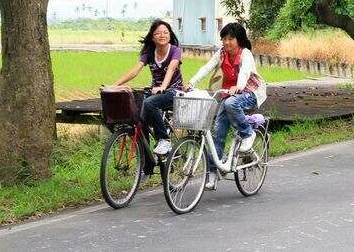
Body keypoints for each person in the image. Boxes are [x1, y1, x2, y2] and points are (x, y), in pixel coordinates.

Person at [186, 21, 267, 189]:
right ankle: (214, 175)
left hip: (249, 91)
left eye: (231, 39)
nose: (226, 42)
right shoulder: (221, 53)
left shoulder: (245, 54)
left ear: (239, 40)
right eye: (224, 39)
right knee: (217, 132)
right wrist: (192, 82)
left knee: (231, 103)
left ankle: (248, 133)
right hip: (228, 93)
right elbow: (207, 67)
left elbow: (245, 72)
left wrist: (238, 85)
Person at [111, 19, 183, 156]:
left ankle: (164, 139)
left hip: (174, 90)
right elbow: (135, 70)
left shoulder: (175, 51)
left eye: (165, 33)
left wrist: (162, 86)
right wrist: (115, 85)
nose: (162, 35)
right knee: (139, 122)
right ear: (152, 37)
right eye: (158, 33)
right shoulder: (149, 53)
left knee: (150, 102)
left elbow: (172, 69)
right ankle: (147, 166)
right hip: (156, 91)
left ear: (170, 35)